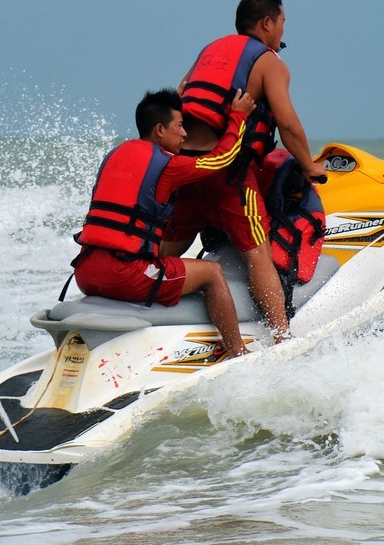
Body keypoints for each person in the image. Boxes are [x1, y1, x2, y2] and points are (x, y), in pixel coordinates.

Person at [162, 0, 326, 343]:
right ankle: (282, 336)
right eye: (282, 22)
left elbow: (180, 95)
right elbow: (288, 123)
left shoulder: (210, 51)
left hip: (186, 169)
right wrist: (309, 165)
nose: (282, 31)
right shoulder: (269, 63)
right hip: (227, 174)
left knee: (167, 249)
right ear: (267, 23)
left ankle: (128, 304)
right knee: (258, 252)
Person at [71, 87, 257, 357]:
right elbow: (221, 160)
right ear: (159, 129)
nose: (185, 133)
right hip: (124, 275)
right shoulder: (168, 166)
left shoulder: (114, 156)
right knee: (212, 273)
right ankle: (238, 352)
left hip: (86, 272)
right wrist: (239, 116)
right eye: (180, 126)